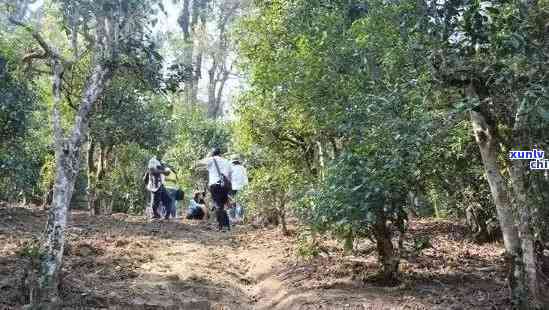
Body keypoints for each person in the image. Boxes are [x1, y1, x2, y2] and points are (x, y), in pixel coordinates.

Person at [202, 148, 232, 231]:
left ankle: (223, 226)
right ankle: (225, 225)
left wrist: (208, 155)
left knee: (218, 205)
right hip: (225, 185)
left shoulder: (211, 159)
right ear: (220, 154)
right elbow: (229, 174)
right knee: (222, 205)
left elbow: (201, 162)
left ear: (212, 153)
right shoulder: (226, 161)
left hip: (215, 185)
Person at [228, 155, 248, 223]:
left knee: (232, 203)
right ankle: (239, 218)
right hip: (241, 188)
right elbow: (245, 179)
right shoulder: (243, 168)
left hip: (232, 188)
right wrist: (246, 188)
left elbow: (228, 179)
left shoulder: (230, 168)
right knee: (240, 203)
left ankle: (233, 219)